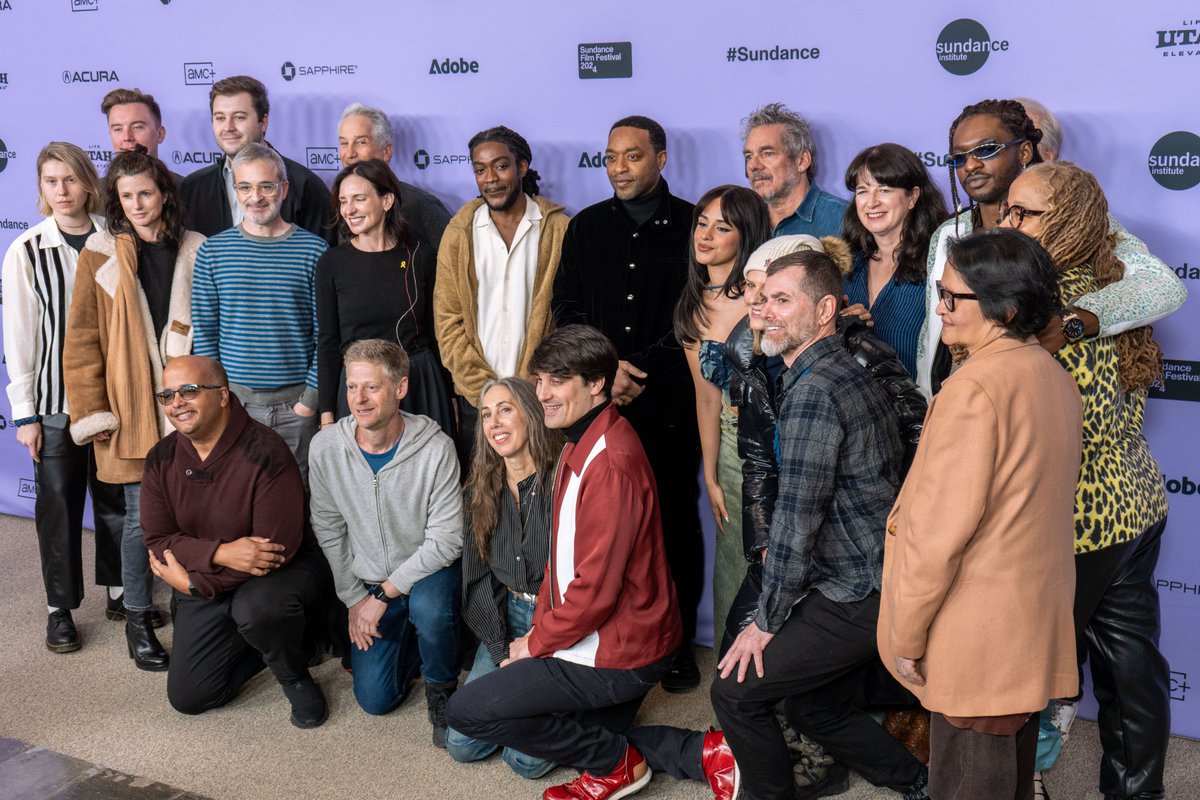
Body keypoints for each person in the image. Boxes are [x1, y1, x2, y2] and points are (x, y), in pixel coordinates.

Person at [711, 250, 928, 800]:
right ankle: (917, 781)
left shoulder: (813, 392)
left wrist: (767, 620)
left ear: (826, 308)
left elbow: (796, 520)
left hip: (861, 589)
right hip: (876, 573)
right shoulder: (839, 369)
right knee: (813, 705)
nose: (765, 312)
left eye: (783, 300)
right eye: (762, 300)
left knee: (734, 694)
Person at [878, 230, 1082, 799]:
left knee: (968, 778)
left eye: (952, 298)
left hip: (976, 632)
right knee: (1007, 771)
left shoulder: (973, 390)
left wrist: (907, 630)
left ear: (1005, 308)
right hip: (1024, 623)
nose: (939, 309)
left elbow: (938, 533)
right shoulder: (1050, 374)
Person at [445, 325, 686, 800]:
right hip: (589, 629)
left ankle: (623, 762)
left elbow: (593, 593)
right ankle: (677, 748)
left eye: (557, 380)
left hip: (621, 651)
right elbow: (560, 570)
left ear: (597, 382)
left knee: (479, 721)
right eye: (539, 381)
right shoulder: (580, 442)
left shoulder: (609, 461)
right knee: (480, 735)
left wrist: (534, 643)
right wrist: (532, 633)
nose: (544, 394)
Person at [1004, 163, 1173, 800]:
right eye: (1010, 211)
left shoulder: (1062, 304)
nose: (1011, 222)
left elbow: (1083, 424)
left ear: (1069, 222)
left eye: (1026, 213)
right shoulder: (1109, 281)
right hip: (1134, 507)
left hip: (1078, 520)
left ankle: (1019, 785)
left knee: (1030, 673)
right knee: (1130, 668)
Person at [552, 115, 702, 691]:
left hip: (669, 403)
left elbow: (699, 313)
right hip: (597, 406)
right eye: (611, 157)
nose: (619, 168)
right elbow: (566, 307)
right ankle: (608, 635)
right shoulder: (586, 227)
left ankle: (679, 643)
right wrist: (605, 370)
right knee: (601, 528)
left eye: (632, 157)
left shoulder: (694, 225)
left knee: (673, 525)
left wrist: (640, 371)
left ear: (660, 159)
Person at [916, 98, 1186, 396]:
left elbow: (1163, 285)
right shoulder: (947, 234)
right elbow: (932, 335)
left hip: (1049, 413)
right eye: (959, 157)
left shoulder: (1076, 221)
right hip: (960, 401)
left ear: (1025, 151)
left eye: (986, 150)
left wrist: (1074, 321)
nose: (970, 165)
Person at [63, 147, 204, 671]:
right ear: (116, 202)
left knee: (194, 513)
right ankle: (139, 617)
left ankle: (195, 609)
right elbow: (81, 344)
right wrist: (92, 410)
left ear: (164, 192)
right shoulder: (99, 254)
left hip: (190, 407)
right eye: (127, 196)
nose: (139, 204)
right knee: (140, 522)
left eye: (146, 192)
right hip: (130, 411)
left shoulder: (196, 248)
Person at [142, 356, 330, 728]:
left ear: (223, 396)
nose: (176, 403)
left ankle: (293, 673)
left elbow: (273, 551)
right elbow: (158, 541)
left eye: (189, 391)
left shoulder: (266, 450)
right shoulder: (160, 458)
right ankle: (263, 647)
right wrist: (219, 554)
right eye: (167, 395)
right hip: (206, 575)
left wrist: (195, 580)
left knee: (259, 610)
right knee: (190, 698)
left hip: (276, 575)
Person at [2, 142, 127, 653]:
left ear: (88, 183)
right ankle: (60, 609)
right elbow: (20, 336)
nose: (62, 191)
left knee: (116, 498)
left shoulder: (115, 239)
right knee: (57, 503)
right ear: (41, 188)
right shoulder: (28, 249)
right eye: (51, 182)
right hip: (54, 403)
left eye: (71, 180)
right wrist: (26, 414)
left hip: (111, 395)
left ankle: (122, 590)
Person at [308, 339, 463, 747]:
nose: (358, 400)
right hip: (369, 582)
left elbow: (447, 540)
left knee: (430, 607)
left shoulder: (436, 448)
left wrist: (382, 594)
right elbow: (328, 527)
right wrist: (354, 598)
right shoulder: (326, 447)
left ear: (399, 389)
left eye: (371, 387)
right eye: (352, 387)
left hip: (428, 573)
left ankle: (441, 687)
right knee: (376, 701)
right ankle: (415, 640)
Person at [444, 377, 563, 778]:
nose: (495, 421)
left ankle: (581, 708)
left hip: (559, 620)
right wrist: (499, 651)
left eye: (506, 409)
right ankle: (531, 707)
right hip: (509, 615)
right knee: (460, 743)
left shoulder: (563, 478)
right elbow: (477, 580)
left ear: (531, 414)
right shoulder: (479, 489)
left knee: (526, 762)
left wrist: (539, 642)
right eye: (486, 414)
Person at [191, 142, 327, 484]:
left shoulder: (314, 250)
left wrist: (309, 401)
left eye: (266, 186)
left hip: (297, 407)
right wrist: (219, 398)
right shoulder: (213, 252)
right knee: (238, 496)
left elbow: (325, 335)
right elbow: (205, 334)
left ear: (283, 189)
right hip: (236, 406)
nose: (256, 197)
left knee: (299, 499)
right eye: (246, 187)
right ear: (236, 190)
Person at [672, 184, 770, 650]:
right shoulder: (693, 304)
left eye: (722, 226)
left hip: (782, 439)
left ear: (744, 235)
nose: (706, 235)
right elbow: (705, 397)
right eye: (702, 223)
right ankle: (736, 686)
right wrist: (710, 474)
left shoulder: (764, 297)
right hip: (731, 447)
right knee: (735, 557)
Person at [434, 126, 569, 455]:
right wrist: (486, 392)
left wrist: (540, 383)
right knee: (485, 497)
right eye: (480, 170)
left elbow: (567, 319)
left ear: (521, 168)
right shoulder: (460, 233)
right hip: (478, 400)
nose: (490, 178)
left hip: (542, 398)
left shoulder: (557, 229)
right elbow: (447, 319)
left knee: (543, 495)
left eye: (500, 166)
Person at [316, 159, 455, 440]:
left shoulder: (421, 256)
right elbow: (328, 343)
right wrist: (327, 414)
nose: (349, 209)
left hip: (420, 384)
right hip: (359, 388)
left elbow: (438, 334)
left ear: (387, 200)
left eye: (359, 199)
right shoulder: (332, 263)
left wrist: (451, 398)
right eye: (343, 201)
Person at [180, 75, 332, 242]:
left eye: (239, 117)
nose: (228, 127)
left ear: (263, 122)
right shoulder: (192, 188)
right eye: (220, 118)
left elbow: (322, 258)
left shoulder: (304, 185)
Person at [841, 143, 948, 377]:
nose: (871, 202)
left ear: (913, 197)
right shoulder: (847, 266)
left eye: (885, 190)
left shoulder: (940, 266)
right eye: (862, 191)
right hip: (855, 408)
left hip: (921, 408)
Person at [336, 102, 451, 253]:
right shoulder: (340, 209)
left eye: (361, 142)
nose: (350, 153)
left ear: (386, 151)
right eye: (344, 143)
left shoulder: (423, 207)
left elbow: (452, 269)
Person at [740, 103, 846, 237]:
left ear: (802, 160)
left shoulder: (843, 220)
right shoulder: (743, 223)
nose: (753, 165)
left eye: (768, 153)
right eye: (749, 156)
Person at [100, 87, 183, 185]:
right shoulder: (96, 194)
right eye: (118, 129)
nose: (127, 137)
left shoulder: (187, 190)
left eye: (137, 127)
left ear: (160, 134)